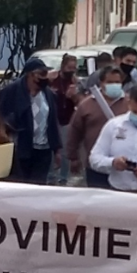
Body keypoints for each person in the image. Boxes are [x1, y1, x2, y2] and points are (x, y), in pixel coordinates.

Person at [0, 58, 62, 184]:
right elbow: (1, 116)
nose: (45, 78)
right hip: (21, 148)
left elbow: (53, 122)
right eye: (41, 74)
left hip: (44, 149)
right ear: (30, 74)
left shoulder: (48, 94)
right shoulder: (12, 91)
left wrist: (57, 149)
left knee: (39, 185)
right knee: (21, 184)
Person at [67, 66, 129, 189]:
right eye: (110, 82)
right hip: (95, 167)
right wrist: (73, 157)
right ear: (101, 83)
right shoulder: (87, 105)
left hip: (123, 167)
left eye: (117, 82)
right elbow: (75, 131)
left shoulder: (130, 104)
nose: (114, 85)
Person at [50, 53, 83, 185]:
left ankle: (63, 177)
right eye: (69, 67)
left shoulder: (75, 82)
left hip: (67, 118)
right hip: (53, 117)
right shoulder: (53, 79)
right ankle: (51, 176)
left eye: (74, 68)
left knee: (64, 150)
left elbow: (80, 103)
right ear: (63, 66)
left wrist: (74, 96)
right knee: (52, 149)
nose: (71, 70)